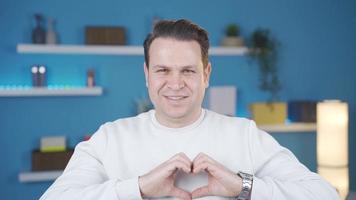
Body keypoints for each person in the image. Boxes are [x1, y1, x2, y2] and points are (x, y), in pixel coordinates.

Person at [40, 19, 339, 200]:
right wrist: (139, 188)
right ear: (146, 74)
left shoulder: (243, 134)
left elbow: (324, 194)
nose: (175, 83)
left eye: (187, 71)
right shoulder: (110, 138)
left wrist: (243, 187)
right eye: (162, 70)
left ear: (206, 74)